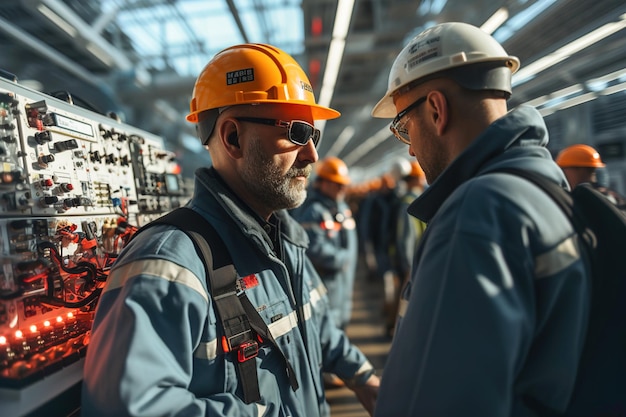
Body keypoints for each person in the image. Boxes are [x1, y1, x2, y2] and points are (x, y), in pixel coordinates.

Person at [81, 43, 379, 417]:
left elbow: (314, 326)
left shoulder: (287, 242)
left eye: (314, 136)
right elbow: (128, 408)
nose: (312, 155)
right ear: (232, 137)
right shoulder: (168, 266)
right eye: (299, 133)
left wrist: (363, 376)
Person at [370, 22, 590, 415]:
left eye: (405, 128)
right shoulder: (544, 190)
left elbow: (441, 400)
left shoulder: (475, 215)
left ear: (436, 109)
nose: (410, 151)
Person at [290, 156, 358, 331]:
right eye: (338, 184)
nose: (342, 189)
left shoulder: (339, 208)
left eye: (343, 184)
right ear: (323, 183)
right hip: (327, 290)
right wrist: (344, 260)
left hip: (341, 288)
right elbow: (314, 249)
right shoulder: (313, 211)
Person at [556, 143, 626, 209]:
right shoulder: (607, 195)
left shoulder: (590, 199)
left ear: (579, 169)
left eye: (563, 169)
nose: (561, 173)